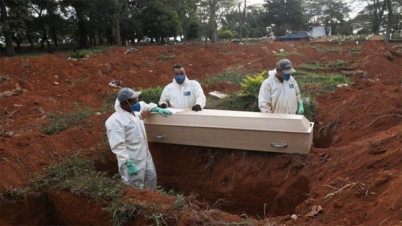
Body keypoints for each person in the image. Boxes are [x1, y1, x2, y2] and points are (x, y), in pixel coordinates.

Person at [105, 87, 172, 189]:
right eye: (133, 101)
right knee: (135, 187)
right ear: (124, 104)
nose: (136, 103)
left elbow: (143, 105)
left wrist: (155, 108)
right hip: (133, 159)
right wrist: (128, 162)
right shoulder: (115, 121)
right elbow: (118, 146)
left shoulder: (134, 111)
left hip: (145, 154)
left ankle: (152, 202)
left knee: (151, 179)